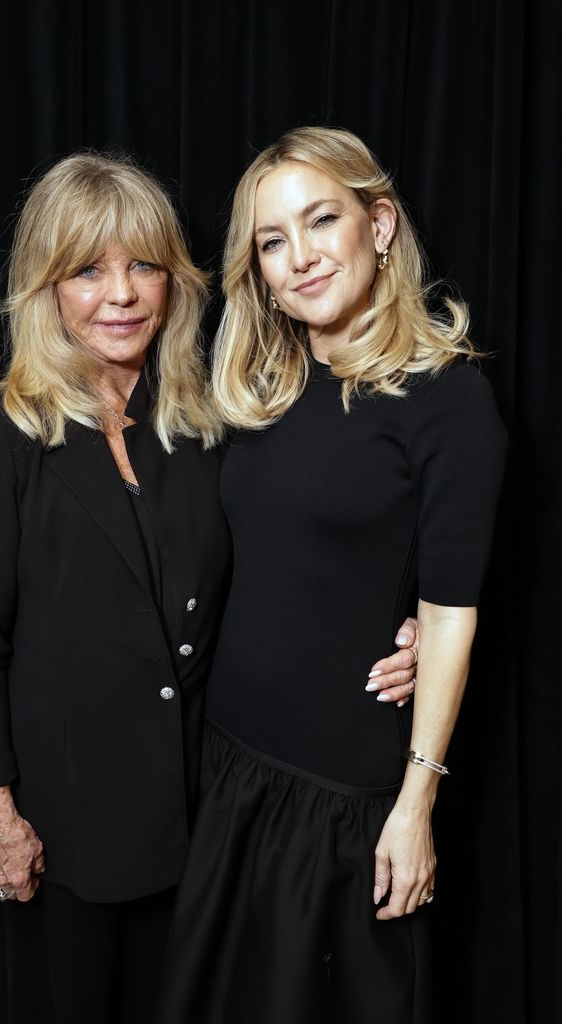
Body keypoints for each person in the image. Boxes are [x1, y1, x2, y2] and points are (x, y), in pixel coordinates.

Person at [0, 150, 416, 1024]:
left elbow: (301, 552)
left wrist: (415, 622)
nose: (121, 294)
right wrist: (0, 819)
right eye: (87, 270)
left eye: (144, 267)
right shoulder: (5, 433)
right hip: (64, 822)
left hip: (201, 817)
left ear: (176, 282)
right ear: (47, 287)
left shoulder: (206, 419)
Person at [158, 127, 508, 1024]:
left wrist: (416, 803)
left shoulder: (449, 398)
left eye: (322, 221)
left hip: (340, 801)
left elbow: (453, 613)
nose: (301, 257)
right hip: (227, 766)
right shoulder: (259, 384)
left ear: (379, 223)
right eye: (274, 241)